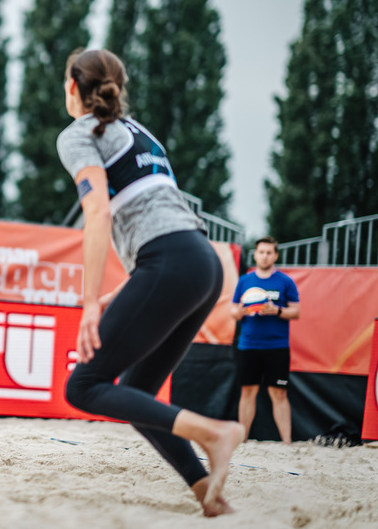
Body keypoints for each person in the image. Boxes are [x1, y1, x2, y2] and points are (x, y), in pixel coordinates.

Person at [57, 49, 244, 517]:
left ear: (74, 88)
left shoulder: (80, 133)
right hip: (203, 263)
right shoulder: (143, 134)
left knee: (83, 386)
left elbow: (97, 213)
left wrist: (89, 305)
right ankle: (207, 492)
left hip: (172, 260)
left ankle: (215, 434)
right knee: (138, 392)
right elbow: (159, 228)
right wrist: (116, 294)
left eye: (66, 81)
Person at [230, 236, 300, 445]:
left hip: (277, 346)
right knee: (247, 391)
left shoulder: (285, 281)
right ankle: (242, 440)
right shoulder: (245, 281)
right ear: (255, 254)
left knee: (278, 393)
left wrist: (276, 310)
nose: (265, 256)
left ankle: (287, 442)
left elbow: (296, 312)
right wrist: (241, 311)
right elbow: (233, 310)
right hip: (249, 345)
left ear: (275, 255)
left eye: (269, 252)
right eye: (261, 252)